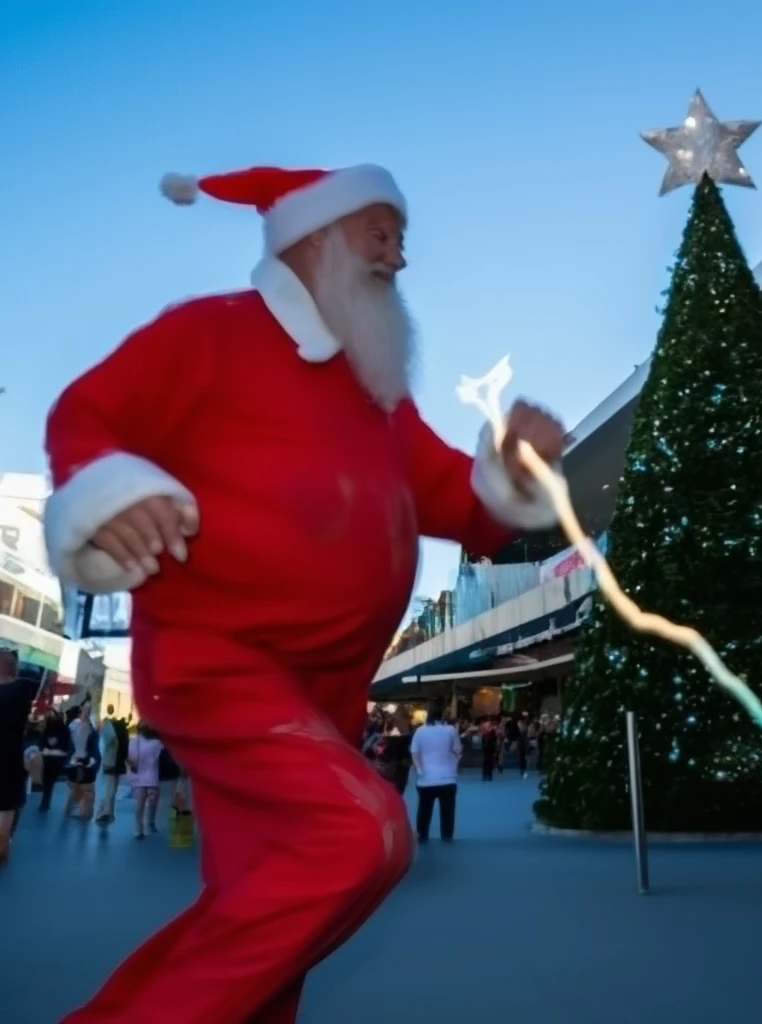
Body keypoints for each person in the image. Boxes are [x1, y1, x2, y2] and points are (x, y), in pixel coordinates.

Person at [42, 160, 565, 1024]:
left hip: (328, 693)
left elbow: (462, 506)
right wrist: (113, 494)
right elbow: (87, 413)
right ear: (314, 238)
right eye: (380, 236)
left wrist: (508, 472)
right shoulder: (210, 334)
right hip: (221, 665)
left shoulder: (380, 400)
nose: (398, 260)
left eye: (402, 241)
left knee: (274, 907)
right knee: (356, 837)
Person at [0, 646, 39, 860]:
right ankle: (3, 846)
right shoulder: (24, 687)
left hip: (11, 758)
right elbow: (36, 676)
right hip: (11, 757)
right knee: (7, 808)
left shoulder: (20, 688)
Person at [410, 699, 462, 842]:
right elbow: (458, 750)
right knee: (448, 812)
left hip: (426, 779)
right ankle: (446, 836)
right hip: (448, 778)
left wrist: (420, 769)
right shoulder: (450, 730)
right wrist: (454, 765)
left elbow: (414, 752)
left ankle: (422, 835)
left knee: (424, 811)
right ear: (443, 713)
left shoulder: (420, 731)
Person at [127, 723, 164, 839]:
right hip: (152, 775)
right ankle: (149, 823)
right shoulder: (158, 743)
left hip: (140, 775)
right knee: (151, 802)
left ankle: (139, 828)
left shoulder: (134, 742)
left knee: (140, 803)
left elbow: (130, 759)